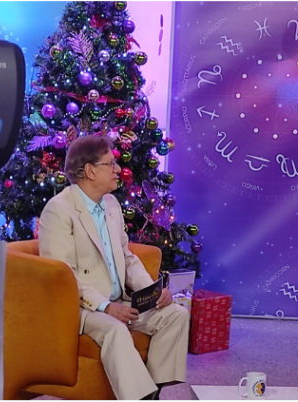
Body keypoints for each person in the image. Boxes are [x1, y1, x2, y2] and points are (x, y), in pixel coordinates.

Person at [38, 135, 190, 400]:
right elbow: (63, 275)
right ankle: (139, 397)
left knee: (175, 314)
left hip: (119, 300)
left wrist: (152, 292)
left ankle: (152, 392)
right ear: (89, 171)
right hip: (82, 307)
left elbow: (127, 257)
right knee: (115, 329)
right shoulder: (59, 210)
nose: (118, 169)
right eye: (110, 164)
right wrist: (106, 307)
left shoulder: (111, 204)